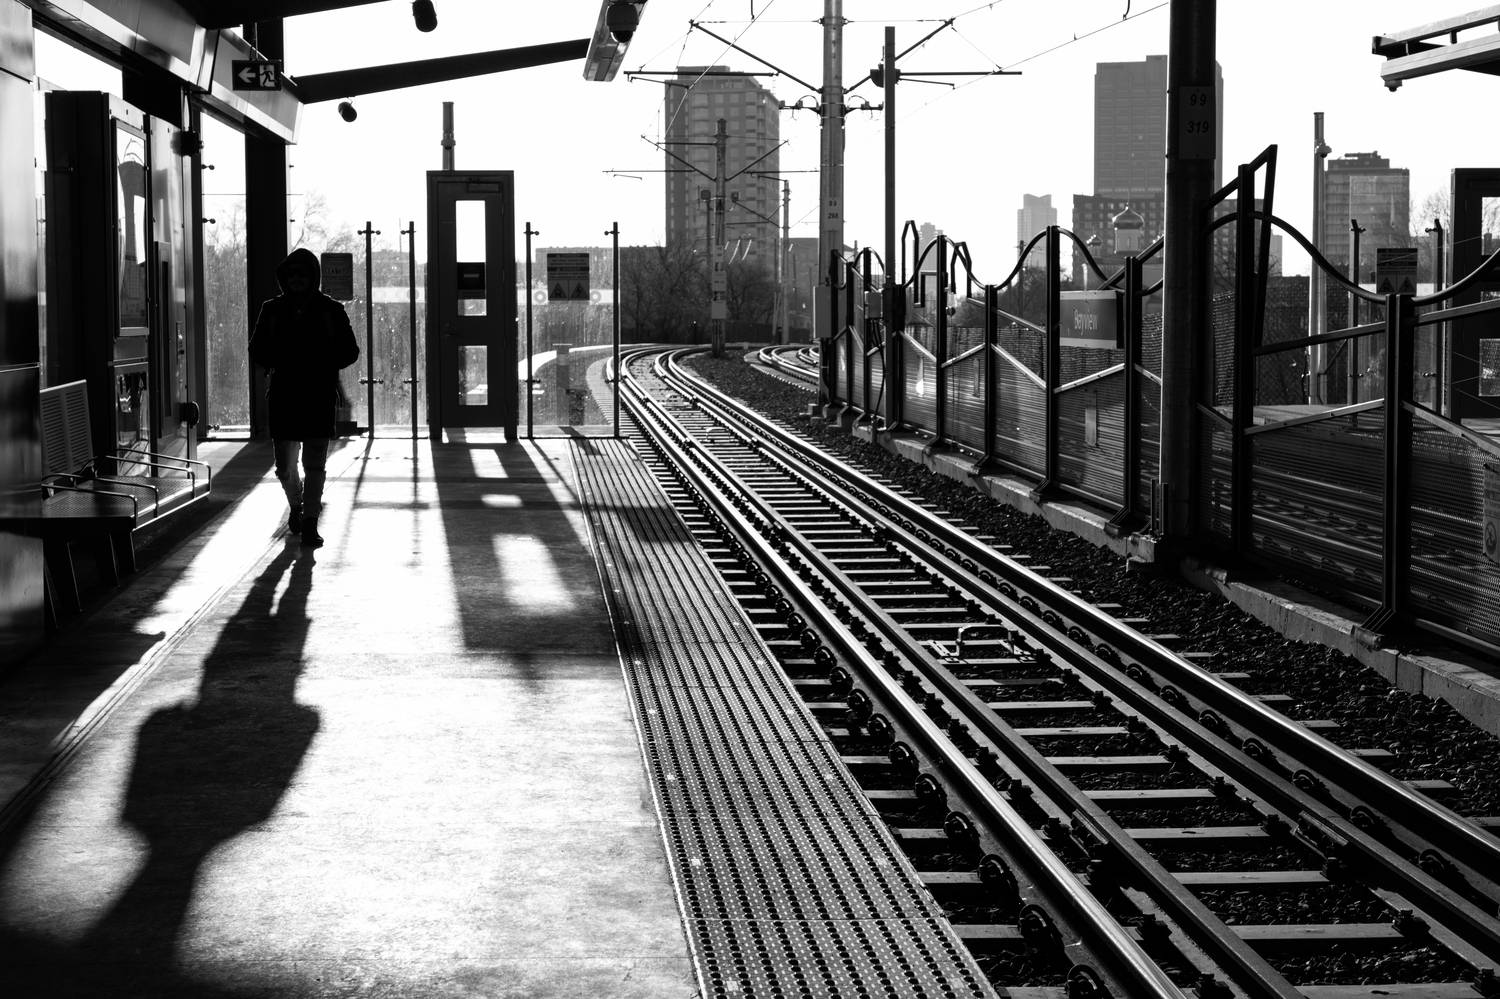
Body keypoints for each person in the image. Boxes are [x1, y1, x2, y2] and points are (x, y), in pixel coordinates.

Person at [249, 248, 360, 548]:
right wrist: (281, 359)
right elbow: (256, 349)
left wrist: (321, 361)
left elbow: (350, 351)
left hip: (317, 396)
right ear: (285, 278)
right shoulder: (272, 310)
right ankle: (297, 504)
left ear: (313, 277)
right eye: (292, 275)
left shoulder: (331, 310)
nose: (296, 279)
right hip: (284, 396)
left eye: (302, 274)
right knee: (284, 467)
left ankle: (310, 520)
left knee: (314, 465)